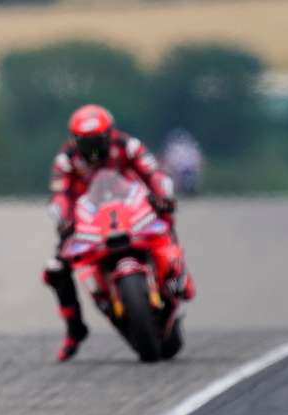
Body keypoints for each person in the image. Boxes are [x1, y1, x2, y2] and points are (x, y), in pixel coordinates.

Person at [43, 104, 196, 361]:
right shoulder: (65, 159)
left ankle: (178, 274)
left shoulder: (128, 145)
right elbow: (61, 193)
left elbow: (153, 172)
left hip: (132, 208)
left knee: (166, 218)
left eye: (98, 141)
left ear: (109, 134)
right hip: (89, 218)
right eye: (86, 142)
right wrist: (63, 216)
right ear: (75, 140)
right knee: (56, 269)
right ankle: (74, 330)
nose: (93, 150)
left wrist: (162, 195)